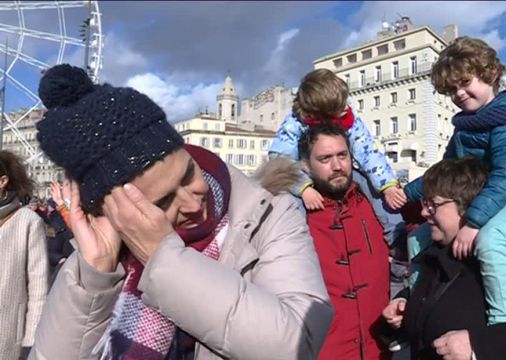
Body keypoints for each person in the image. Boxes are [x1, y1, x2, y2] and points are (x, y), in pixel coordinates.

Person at [30, 64, 333, 360]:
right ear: (112, 211)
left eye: (189, 173)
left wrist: (163, 260)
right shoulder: (94, 261)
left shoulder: (267, 214)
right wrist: (96, 274)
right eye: (162, 202)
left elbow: (297, 343)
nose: (193, 203)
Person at [383, 157, 506, 360]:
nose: (423, 212)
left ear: (469, 206)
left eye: (434, 204)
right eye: (424, 202)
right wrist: (406, 304)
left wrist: (478, 346)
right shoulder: (433, 252)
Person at [403, 36, 506, 326]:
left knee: (491, 240)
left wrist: (474, 223)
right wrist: (406, 193)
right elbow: (445, 170)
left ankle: (502, 322)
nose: (460, 93)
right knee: (417, 237)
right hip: (482, 202)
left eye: (466, 82)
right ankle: (417, 300)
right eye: (452, 89)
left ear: (489, 74)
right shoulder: (465, 125)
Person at [269, 68, 406, 244]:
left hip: (340, 170)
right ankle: (295, 243)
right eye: (336, 111)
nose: (342, 113)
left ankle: (397, 236)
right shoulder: (295, 122)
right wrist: (303, 188)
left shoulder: (348, 119)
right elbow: (281, 159)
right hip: (302, 172)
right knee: (290, 201)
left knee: (371, 185)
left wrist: (386, 184)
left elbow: (367, 152)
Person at [298, 124, 390, 359]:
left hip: (380, 349)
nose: (337, 166)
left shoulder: (379, 205)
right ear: (305, 166)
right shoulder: (293, 216)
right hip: (325, 351)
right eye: (325, 158)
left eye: (342, 155)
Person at [0, 150, 48, 360]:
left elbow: (38, 288)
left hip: (7, 334)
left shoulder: (27, 221)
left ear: (2, 181)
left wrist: (31, 340)